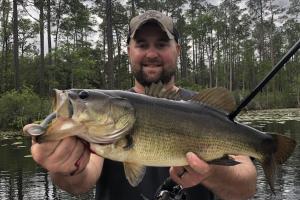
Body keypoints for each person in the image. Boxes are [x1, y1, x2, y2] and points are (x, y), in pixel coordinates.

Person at [26, 10, 257, 200]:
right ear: (128, 51)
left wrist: (211, 170)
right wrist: (65, 167)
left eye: (162, 44)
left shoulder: (208, 110)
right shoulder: (96, 126)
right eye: (142, 44)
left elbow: (246, 187)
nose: (151, 53)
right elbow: (80, 181)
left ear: (178, 49)